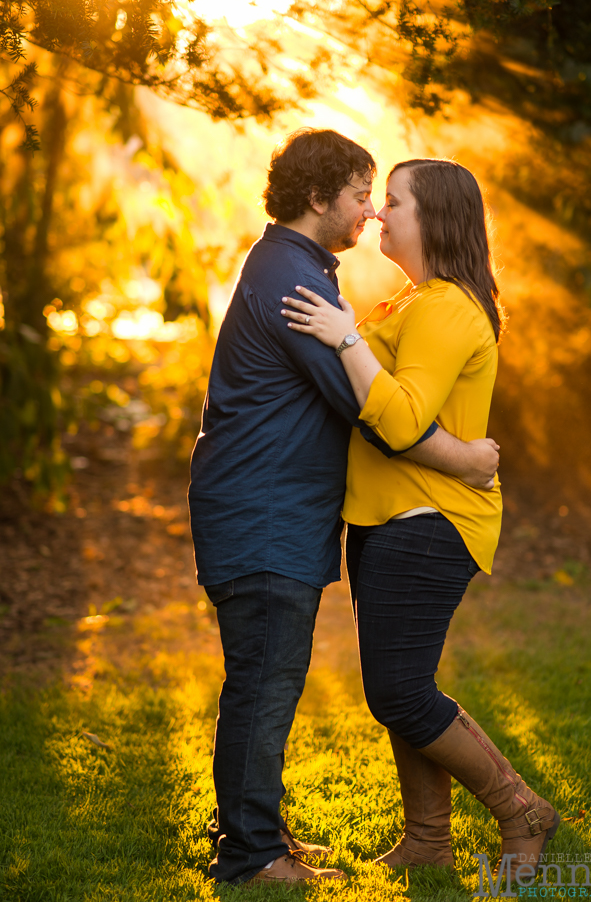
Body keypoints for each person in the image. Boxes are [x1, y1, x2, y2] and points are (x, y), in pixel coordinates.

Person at [188, 132, 501, 887]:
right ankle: (252, 855)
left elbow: (368, 388)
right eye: (363, 195)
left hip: (270, 508)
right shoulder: (296, 280)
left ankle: (258, 834)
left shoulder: (291, 268)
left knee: (263, 681)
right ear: (319, 197)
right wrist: (465, 458)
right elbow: (369, 410)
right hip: (266, 511)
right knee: (263, 684)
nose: (369, 211)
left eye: (381, 198)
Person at [280, 157, 560, 879]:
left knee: (398, 690)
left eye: (392, 202)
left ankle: (519, 810)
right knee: (405, 683)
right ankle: (428, 842)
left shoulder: (443, 309)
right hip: (387, 518)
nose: (375, 214)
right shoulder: (409, 301)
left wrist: (343, 338)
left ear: (432, 218)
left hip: (429, 520)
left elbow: (401, 419)